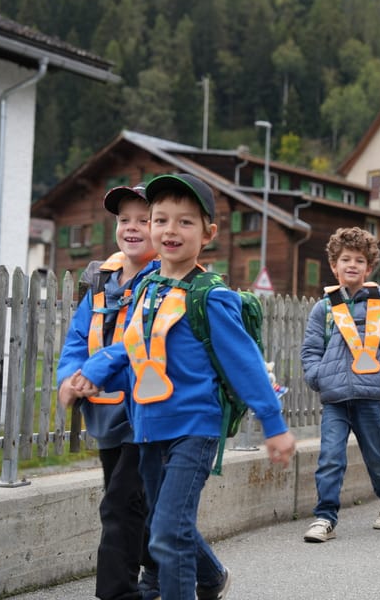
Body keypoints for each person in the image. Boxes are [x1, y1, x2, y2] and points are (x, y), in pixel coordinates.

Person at [73, 172, 296, 600]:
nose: (170, 230)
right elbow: (130, 345)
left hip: (193, 429)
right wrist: (95, 369)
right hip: (148, 429)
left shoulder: (210, 297)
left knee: (165, 538)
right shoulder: (148, 289)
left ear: (209, 233)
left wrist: (274, 423)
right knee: (164, 525)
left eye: (185, 222)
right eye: (161, 220)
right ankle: (211, 578)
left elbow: (245, 363)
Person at [57, 184, 160, 600]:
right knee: (141, 508)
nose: (132, 228)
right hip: (106, 413)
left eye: (144, 220)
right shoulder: (103, 281)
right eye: (124, 220)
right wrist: (70, 376)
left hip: (147, 414)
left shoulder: (164, 281)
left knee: (120, 505)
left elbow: (140, 338)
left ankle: (118, 593)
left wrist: (95, 370)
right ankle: (200, 573)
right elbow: (78, 338)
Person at [300, 227, 380, 543]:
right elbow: (310, 350)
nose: (352, 265)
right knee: (330, 456)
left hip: (370, 396)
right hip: (335, 398)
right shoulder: (323, 308)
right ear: (334, 265)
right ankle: (325, 517)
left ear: (369, 268)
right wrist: (317, 376)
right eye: (345, 259)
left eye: (359, 260)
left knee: (376, 455)